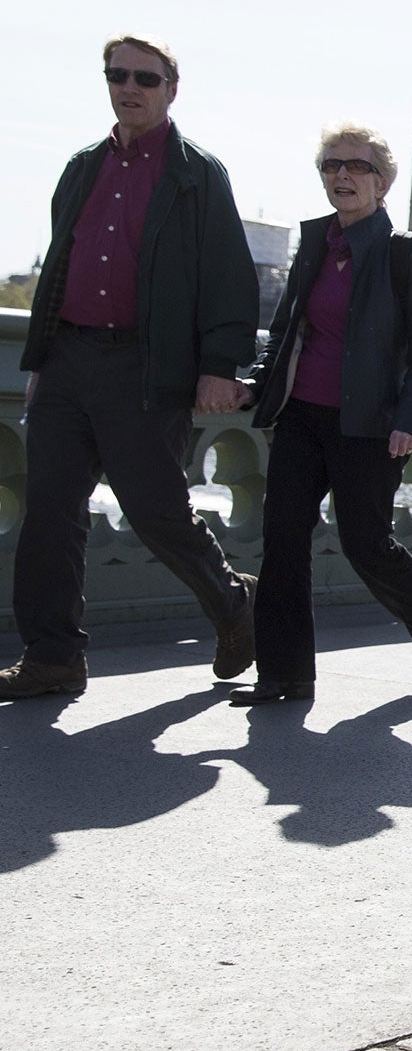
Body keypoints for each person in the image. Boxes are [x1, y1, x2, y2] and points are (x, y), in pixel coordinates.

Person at [2, 37, 258, 699]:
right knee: (50, 511)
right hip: (67, 361)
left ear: (172, 88)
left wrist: (219, 366)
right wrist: (41, 360)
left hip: (144, 367)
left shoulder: (197, 174)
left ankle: (234, 603)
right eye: (118, 75)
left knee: (155, 511)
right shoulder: (81, 168)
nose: (130, 86)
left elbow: (228, 279)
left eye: (146, 76)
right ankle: (53, 655)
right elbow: (60, 267)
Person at [229, 124, 412, 705]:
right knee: (282, 541)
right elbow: (281, 335)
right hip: (302, 415)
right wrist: (256, 384)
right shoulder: (314, 244)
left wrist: (411, 417)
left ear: (382, 182)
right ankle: (284, 675)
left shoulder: (406, 254)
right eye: (331, 166)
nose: (342, 176)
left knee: (365, 543)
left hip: (370, 424)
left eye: (356, 167)